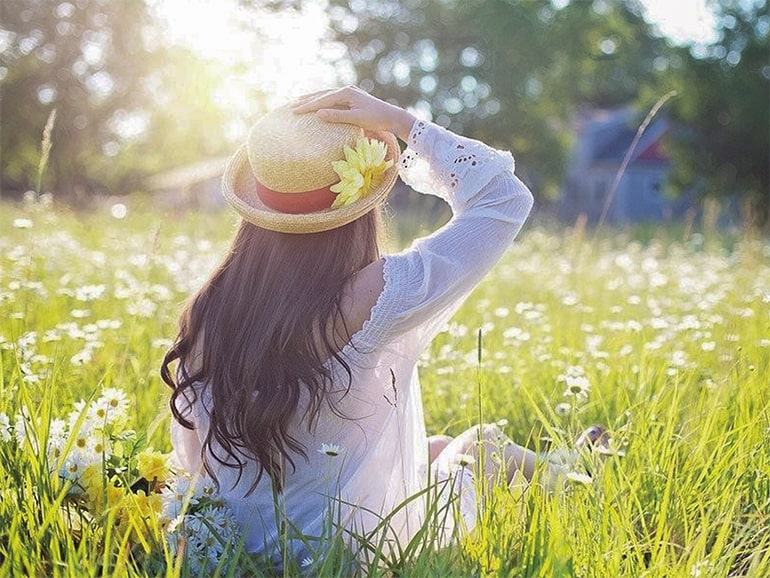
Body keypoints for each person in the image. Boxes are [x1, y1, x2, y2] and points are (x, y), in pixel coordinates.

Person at [161, 86, 536, 566]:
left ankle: (576, 460)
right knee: (482, 445)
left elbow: (194, 459)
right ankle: (580, 473)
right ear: (358, 209)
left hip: (240, 547)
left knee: (436, 448)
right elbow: (505, 198)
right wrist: (403, 123)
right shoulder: (371, 296)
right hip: (356, 554)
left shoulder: (210, 307)